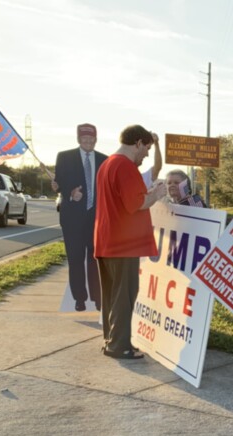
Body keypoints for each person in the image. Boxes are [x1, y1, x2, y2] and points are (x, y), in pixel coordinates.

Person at [93, 126, 167, 359]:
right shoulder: (124, 166)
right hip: (123, 243)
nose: (145, 155)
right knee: (124, 296)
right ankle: (119, 346)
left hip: (107, 240)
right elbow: (136, 204)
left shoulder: (107, 164)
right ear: (137, 143)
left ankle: (111, 340)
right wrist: (157, 193)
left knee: (112, 296)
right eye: (146, 148)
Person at [53, 124, 108, 311]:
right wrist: (70, 192)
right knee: (75, 259)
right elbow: (59, 182)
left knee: (95, 258)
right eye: (84, 140)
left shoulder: (104, 160)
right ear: (78, 139)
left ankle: (98, 298)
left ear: (96, 139)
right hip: (72, 219)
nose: (88, 143)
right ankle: (80, 298)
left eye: (91, 140)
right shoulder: (64, 157)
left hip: (96, 218)